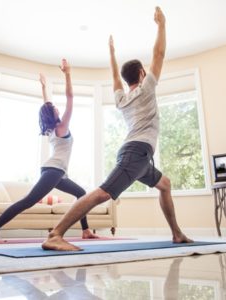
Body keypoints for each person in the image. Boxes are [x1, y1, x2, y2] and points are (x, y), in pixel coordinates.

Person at [43, 7, 192, 251]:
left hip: (140, 156)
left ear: (126, 81)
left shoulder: (121, 99)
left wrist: (111, 53)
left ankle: (176, 233)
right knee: (102, 193)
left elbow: (114, 75)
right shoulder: (147, 88)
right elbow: (160, 53)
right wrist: (161, 25)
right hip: (137, 152)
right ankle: (56, 234)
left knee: (164, 184)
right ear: (143, 74)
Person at [0, 59, 98, 242]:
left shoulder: (53, 128)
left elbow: (47, 104)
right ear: (53, 114)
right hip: (54, 171)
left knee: (81, 194)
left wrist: (44, 87)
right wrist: (67, 74)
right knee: (28, 201)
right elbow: (70, 98)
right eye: (54, 108)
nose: (57, 108)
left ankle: (86, 231)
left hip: (58, 173)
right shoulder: (62, 127)